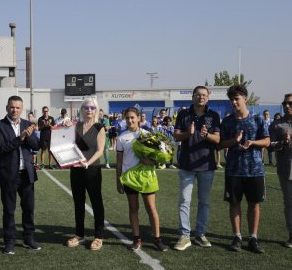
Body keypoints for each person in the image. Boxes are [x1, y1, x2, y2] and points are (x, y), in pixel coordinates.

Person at [219, 85, 269, 254]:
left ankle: (253, 237)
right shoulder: (227, 121)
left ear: (245, 98)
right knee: (234, 203)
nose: (234, 102)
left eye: (237, 99)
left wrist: (253, 142)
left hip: (254, 169)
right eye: (231, 99)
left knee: (254, 204)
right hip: (233, 169)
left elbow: (267, 141)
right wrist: (234, 140)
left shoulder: (257, 119)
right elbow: (220, 144)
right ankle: (237, 237)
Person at [0, 95, 41, 255]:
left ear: (22, 109)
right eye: (12, 107)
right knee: (9, 210)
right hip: (8, 175)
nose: (15, 110)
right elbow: (1, 148)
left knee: (29, 209)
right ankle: (10, 241)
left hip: (27, 174)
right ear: (7, 108)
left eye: (18, 107)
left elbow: (36, 146)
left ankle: (29, 238)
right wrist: (21, 137)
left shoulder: (28, 124)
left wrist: (29, 136)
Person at [173, 86, 221, 251]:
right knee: (184, 201)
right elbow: (176, 136)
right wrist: (188, 133)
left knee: (204, 202)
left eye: (204, 95)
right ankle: (185, 235)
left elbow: (218, 140)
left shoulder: (213, 115)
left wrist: (206, 135)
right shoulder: (183, 114)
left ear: (208, 97)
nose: (201, 97)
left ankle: (200, 234)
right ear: (193, 97)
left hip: (207, 165)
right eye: (198, 95)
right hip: (187, 164)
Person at [116, 107, 168, 252]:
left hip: (146, 177)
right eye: (127, 118)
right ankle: (136, 239)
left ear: (139, 118)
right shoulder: (121, 138)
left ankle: (157, 239)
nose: (130, 120)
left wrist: (151, 162)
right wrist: (118, 180)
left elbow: (158, 157)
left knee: (151, 208)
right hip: (129, 178)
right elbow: (119, 161)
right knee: (133, 209)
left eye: (132, 117)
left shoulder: (148, 135)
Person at [66, 98, 105, 251]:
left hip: (92, 169)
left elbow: (100, 150)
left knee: (96, 202)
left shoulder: (99, 127)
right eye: (86, 107)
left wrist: (88, 163)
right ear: (81, 110)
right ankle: (80, 234)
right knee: (78, 202)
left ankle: (98, 236)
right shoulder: (76, 126)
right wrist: (65, 127)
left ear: (96, 110)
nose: (89, 110)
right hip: (75, 169)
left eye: (92, 108)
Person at [269, 93, 292, 248]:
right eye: (285, 103)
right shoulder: (277, 124)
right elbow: (269, 144)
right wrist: (283, 143)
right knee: (289, 203)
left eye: (290, 103)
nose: (287, 106)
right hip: (286, 168)